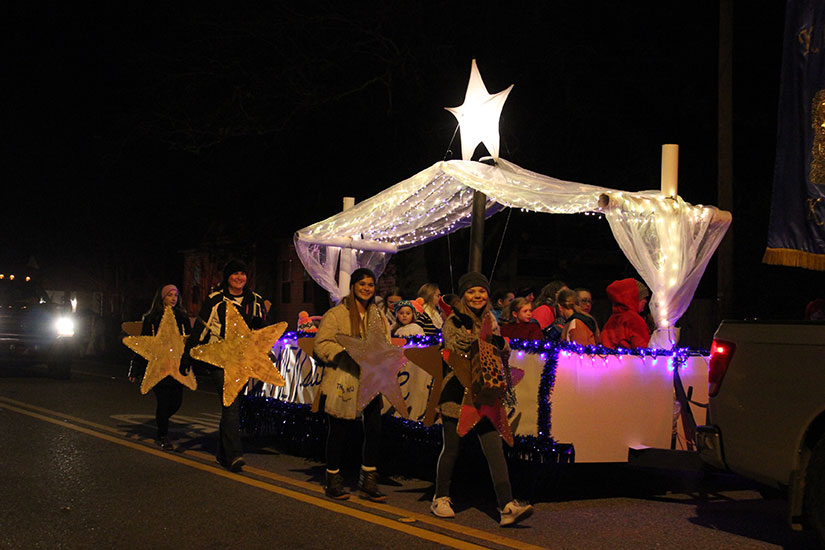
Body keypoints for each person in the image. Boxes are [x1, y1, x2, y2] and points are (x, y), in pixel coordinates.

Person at [433, 271, 533, 527]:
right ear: (463, 296)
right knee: (452, 448)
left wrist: (500, 343)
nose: (477, 295)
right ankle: (440, 497)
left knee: (494, 449)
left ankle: (506, 505)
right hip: (457, 393)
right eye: (471, 291)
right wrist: (477, 337)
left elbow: (499, 352)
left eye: (481, 291)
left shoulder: (490, 319)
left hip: (485, 393)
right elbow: (454, 347)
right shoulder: (454, 320)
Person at [314, 268, 389, 502]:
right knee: (339, 429)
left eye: (370, 285)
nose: (367, 288)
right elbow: (321, 344)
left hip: (370, 379)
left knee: (374, 429)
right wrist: (345, 352)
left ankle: (368, 480)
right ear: (353, 286)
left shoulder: (378, 315)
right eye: (362, 284)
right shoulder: (336, 314)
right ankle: (333, 478)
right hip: (343, 377)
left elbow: (385, 343)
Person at [186, 259, 268, 472]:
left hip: (243, 361)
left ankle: (223, 453)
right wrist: (188, 355)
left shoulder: (255, 300)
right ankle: (234, 455)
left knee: (231, 405)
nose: (239, 278)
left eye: (242, 274)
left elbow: (263, 331)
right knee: (230, 404)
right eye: (234, 274)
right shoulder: (216, 300)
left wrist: (259, 329)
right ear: (227, 277)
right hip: (220, 359)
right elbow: (201, 328)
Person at [128, 284, 190, 451]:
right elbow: (144, 344)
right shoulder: (152, 319)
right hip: (158, 366)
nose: (173, 298)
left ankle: (161, 420)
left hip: (176, 366)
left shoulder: (182, 317)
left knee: (176, 402)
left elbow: (189, 341)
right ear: (162, 298)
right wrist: (135, 368)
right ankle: (163, 435)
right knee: (163, 401)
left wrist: (188, 361)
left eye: (175, 295)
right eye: (169, 295)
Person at [600, 278, 650, 349]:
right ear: (633, 298)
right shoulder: (635, 320)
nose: (645, 301)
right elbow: (642, 350)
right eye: (643, 298)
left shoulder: (612, 319)